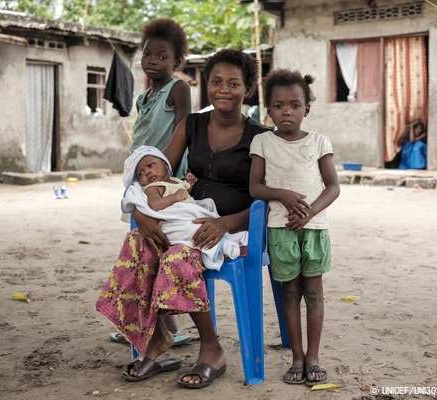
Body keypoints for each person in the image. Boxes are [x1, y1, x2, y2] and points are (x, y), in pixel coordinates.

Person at [95, 48, 268, 387]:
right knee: (136, 243)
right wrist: (143, 215)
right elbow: (157, 171)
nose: (222, 89)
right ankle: (157, 337)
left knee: (176, 259)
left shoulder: (260, 136)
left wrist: (225, 223)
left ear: (247, 89)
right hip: (181, 222)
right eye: (216, 81)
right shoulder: (193, 124)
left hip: (233, 228)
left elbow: (267, 199)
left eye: (233, 83)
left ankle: (212, 348)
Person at [249, 69, 340, 386]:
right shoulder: (262, 142)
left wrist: (309, 212)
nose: (286, 111)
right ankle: (297, 358)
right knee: (290, 294)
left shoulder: (318, 142)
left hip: (314, 230)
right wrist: (282, 195)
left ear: (307, 109)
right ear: (269, 110)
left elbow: (332, 187)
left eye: (294, 105)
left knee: (313, 294)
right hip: (280, 230)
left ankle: (314, 357)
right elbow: (255, 188)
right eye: (278, 105)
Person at [110, 18, 193, 349]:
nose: (153, 61)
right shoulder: (143, 98)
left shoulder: (179, 88)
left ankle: (164, 327)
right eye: (148, 55)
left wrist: (169, 170)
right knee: (142, 247)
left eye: (162, 56)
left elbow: (185, 128)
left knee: (161, 244)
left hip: (166, 180)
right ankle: (155, 324)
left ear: (176, 62)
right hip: (140, 178)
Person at [122, 145, 248, 269]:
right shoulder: (153, 187)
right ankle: (222, 246)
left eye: (151, 165)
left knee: (209, 221)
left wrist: (190, 184)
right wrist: (175, 197)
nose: (147, 172)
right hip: (176, 221)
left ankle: (230, 238)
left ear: (165, 164)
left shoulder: (176, 181)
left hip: (190, 213)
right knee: (193, 229)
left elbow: (186, 196)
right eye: (141, 173)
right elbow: (155, 205)